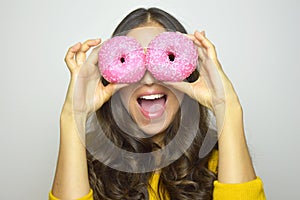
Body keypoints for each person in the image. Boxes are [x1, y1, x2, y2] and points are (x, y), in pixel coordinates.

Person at [50, 7, 266, 200]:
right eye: (134, 63)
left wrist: (226, 105)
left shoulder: (219, 164)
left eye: (163, 61)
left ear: (188, 74)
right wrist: (74, 114)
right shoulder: (85, 168)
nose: (149, 79)